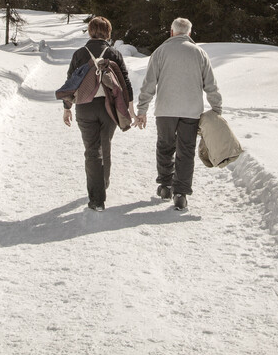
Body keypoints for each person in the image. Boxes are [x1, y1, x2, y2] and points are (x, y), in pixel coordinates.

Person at [135, 17, 222, 211]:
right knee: (186, 151)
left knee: (165, 147)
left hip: (165, 110)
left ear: (171, 31)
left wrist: (142, 110)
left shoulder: (160, 52)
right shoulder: (199, 53)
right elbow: (211, 84)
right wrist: (217, 108)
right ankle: (181, 194)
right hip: (191, 111)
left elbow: (149, 84)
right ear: (189, 33)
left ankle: (165, 186)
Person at [63, 16, 135, 211]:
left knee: (92, 150)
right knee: (106, 145)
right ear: (108, 33)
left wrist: (67, 108)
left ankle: (96, 199)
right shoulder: (114, 53)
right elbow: (125, 82)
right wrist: (130, 108)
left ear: (90, 31)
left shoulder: (79, 54)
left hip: (85, 107)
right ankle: (103, 184)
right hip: (109, 106)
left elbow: (71, 82)